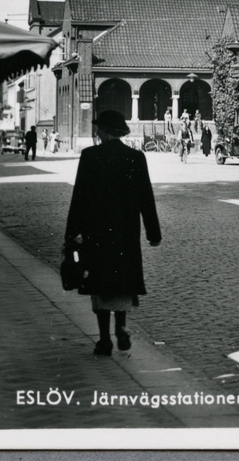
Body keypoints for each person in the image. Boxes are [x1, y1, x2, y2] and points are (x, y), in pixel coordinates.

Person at [64, 110, 161, 356]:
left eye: (98, 128)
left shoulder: (90, 156)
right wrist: (153, 232)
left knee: (99, 285)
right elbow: (146, 198)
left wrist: (71, 232)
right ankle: (121, 328)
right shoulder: (135, 157)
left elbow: (80, 197)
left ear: (104, 130)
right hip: (125, 233)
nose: (96, 132)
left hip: (96, 233)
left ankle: (105, 340)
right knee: (122, 282)